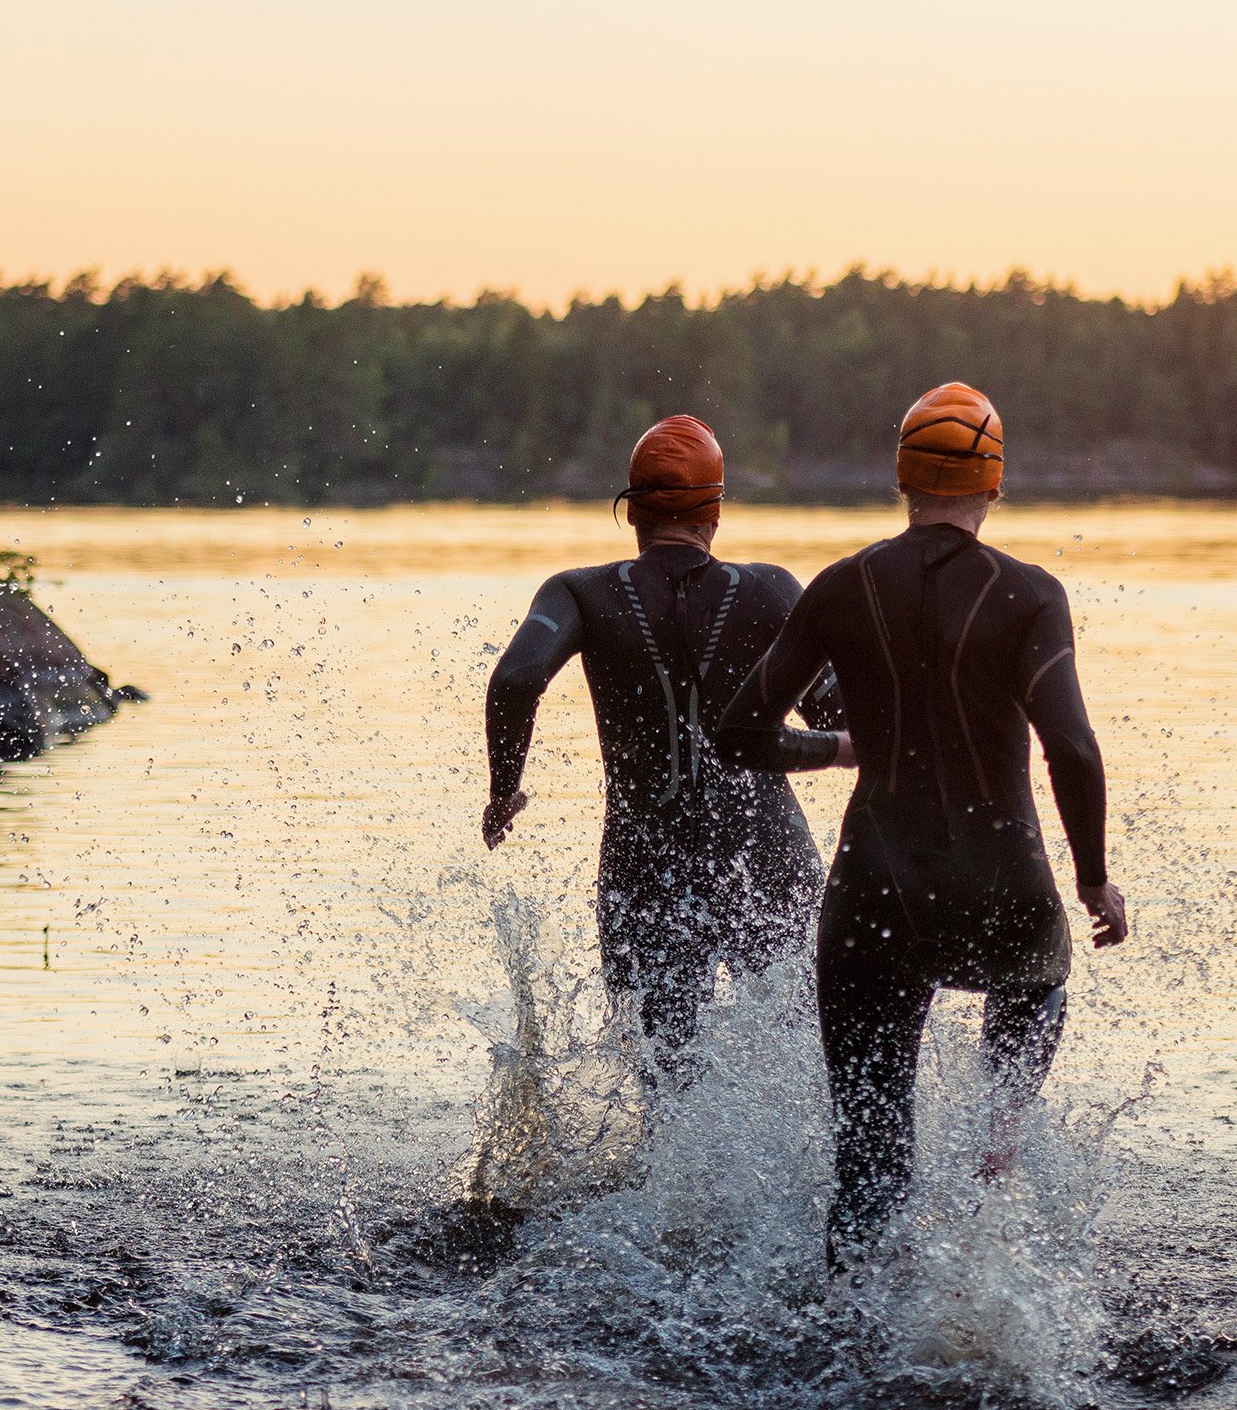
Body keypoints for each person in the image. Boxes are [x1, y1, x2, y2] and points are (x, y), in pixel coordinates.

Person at [714, 382, 1128, 1261]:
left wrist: (834, 750)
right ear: (995, 484)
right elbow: (1075, 751)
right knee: (1027, 1025)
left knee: (869, 1165)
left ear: (901, 480)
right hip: (1008, 897)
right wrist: (1093, 879)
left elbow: (739, 733)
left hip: (875, 902)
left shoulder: (840, 586)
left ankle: (854, 1344)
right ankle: (994, 1181)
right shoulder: (1030, 595)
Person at [483, 415, 853, 1085]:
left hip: (647, 865)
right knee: (804, 1061)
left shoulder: (581, 593)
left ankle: (672, 1190)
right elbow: (839, 715)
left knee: (669, 1085)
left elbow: (515, 679)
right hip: (765, 857)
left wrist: (504, 788)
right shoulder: (770, 589)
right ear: (716, 509)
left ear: (631, 512)